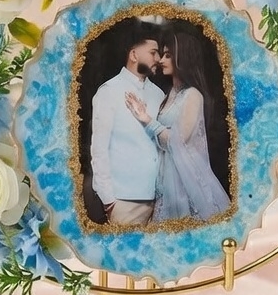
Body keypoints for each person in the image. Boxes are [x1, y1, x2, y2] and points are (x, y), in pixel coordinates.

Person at [124, 27, 231, 222]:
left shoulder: (193, 95)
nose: (161, 60)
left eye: (168, 55)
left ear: (183, 59)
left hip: (185, 181)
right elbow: (160, 140)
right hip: (165, 178)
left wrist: (146, 118)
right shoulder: (167, 96)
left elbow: (178, 140)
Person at [89, 19, 166, 225]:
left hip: (159, 200)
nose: (158, 59)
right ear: (134, 55)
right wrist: (109, 200)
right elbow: (99, 149)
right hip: (124, 201)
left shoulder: (158, 94)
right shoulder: (109, 91)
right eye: (153, 53)